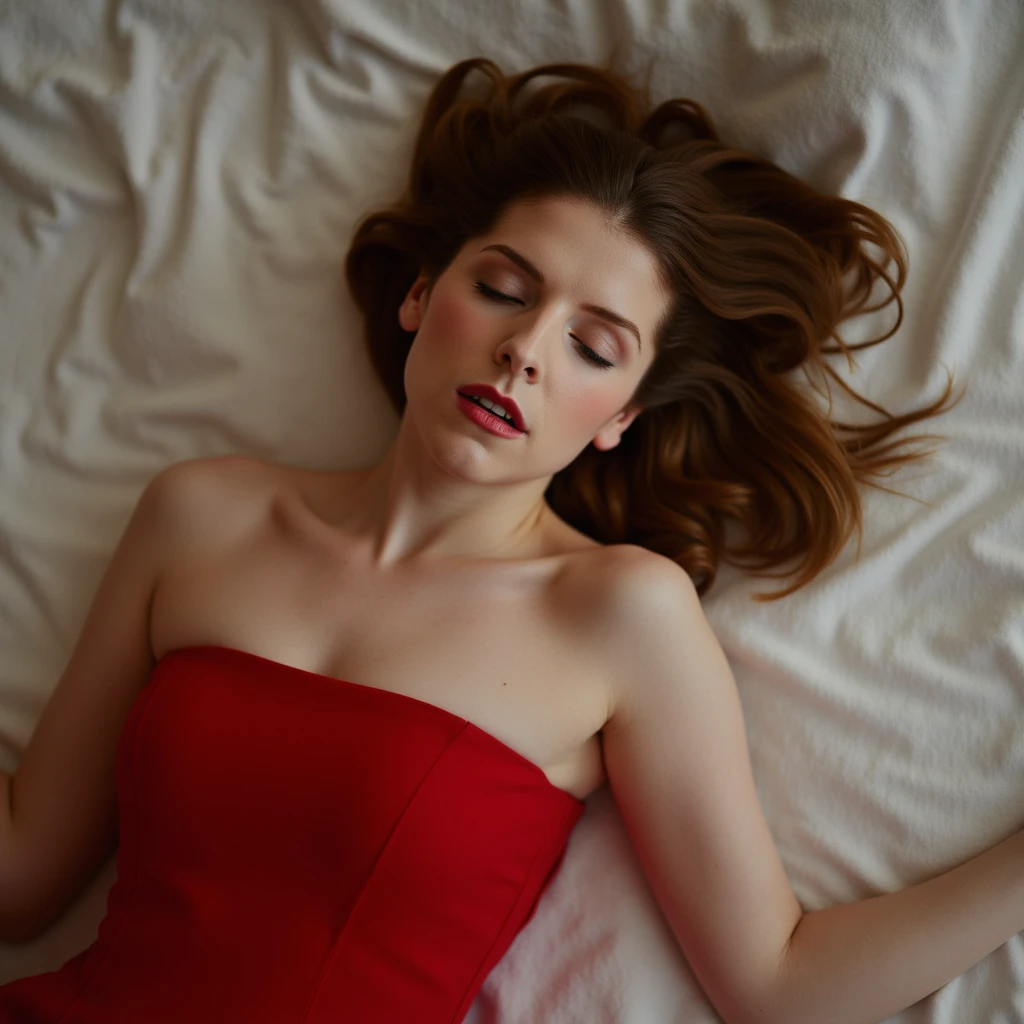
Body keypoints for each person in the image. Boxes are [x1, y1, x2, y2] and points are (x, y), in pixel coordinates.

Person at [0, 54, 1017, 1024]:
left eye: (592, 344)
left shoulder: (620, 612)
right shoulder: (201, 513)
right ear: (420, 294)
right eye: (502, 287)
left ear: (621, 411)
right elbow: (24, 874)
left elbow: (777, 984)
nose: (524, 350)